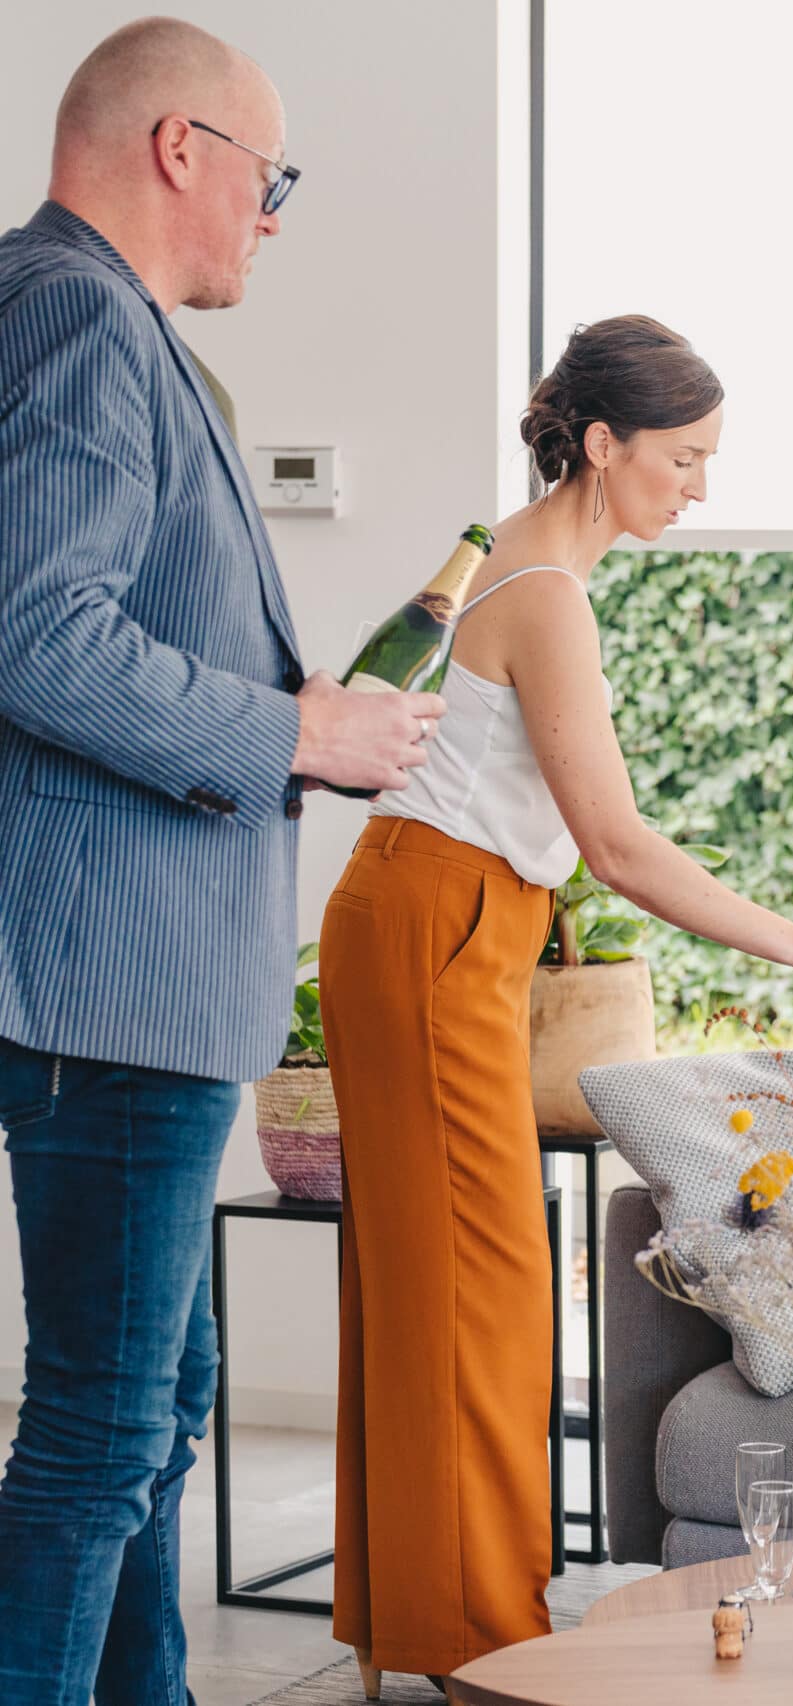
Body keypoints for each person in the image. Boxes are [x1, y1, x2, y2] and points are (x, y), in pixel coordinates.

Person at [318, 315, 793, 1691]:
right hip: (435, 922)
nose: (700, 486)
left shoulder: (529, 564)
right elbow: (619, 845)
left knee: (438, 1276)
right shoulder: (545, 590)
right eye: (683, 456)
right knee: (477, 1286)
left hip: (438, 918)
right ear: (603, 443)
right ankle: (478, 1637)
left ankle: (426, 1620)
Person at [0, 21, 446, 1705]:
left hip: (133, 986)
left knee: (152, 1408)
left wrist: (293, 714)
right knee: (103, 1428)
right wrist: (294, 732)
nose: (275, 214)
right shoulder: (75, 314)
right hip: (112, 988)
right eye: (274, 175)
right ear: (180, 148)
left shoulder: (88, 318)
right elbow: (38, 635)